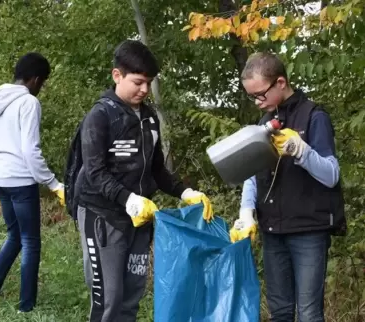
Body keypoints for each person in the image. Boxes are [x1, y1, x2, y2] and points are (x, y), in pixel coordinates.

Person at [75, 39, 214, 322]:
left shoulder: (149, 118)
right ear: (117, 75)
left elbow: (157, 169)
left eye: (149, 83)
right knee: (108, 298)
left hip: (140, 220)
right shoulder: (100, 116)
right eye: (138, 82)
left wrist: (186, 192)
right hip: (102, 215)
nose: (145, 90)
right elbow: (94, 172)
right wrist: (129, 198)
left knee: (132, 294)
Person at [230, 52, 345, 322]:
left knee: (308, 313)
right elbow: (252, 174)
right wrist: (246, 212)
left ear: (280, 82)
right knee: (279, 312)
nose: (258, 103)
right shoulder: (263, 123)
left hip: (308, 231)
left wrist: (301, 151)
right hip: (273, 232)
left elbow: (331, 175)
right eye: (252, 97)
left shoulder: (314, 117)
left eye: (261, 94)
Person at [0, 52, 64, 313]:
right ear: (35, 79)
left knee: (15, 237)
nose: (40, 89)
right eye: (42, 83)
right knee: (31, 241)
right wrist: (54, 183)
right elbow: (30, 150)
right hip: (21, 180)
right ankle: (26, 306)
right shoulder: (28, 103)